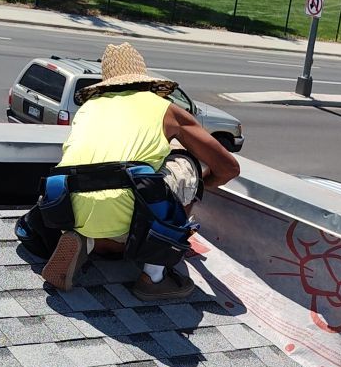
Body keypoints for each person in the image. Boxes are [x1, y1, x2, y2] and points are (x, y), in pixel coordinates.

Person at [30, 41, 239, 297]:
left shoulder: (88, 109)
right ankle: (154, 275)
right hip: (127, 224)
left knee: (107, 178)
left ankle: (87, 239)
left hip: (69, 211)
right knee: (185, 166)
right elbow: (228, 167)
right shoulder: (166, 110)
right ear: (144, 80)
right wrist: (198, 186)